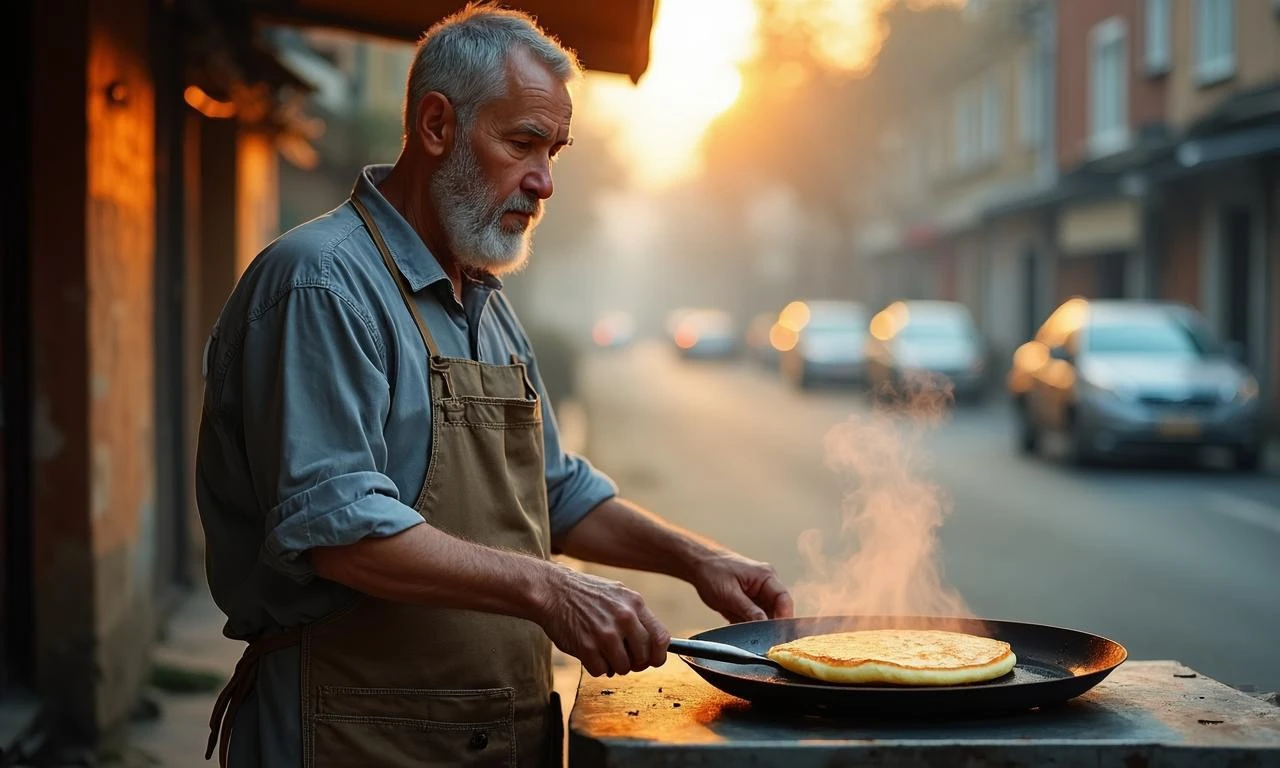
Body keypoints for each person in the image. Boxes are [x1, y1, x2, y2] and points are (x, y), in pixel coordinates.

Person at [195, 4, 793, 767]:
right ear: (436, 125)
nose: (544, 182)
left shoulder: (483, 300)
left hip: (493, 737)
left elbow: (553, 490)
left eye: (554, 151)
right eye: (521, 143)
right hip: (350, 735)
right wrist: (553, 590)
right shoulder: (322, 286)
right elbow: (342, 536)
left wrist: (698, 560)